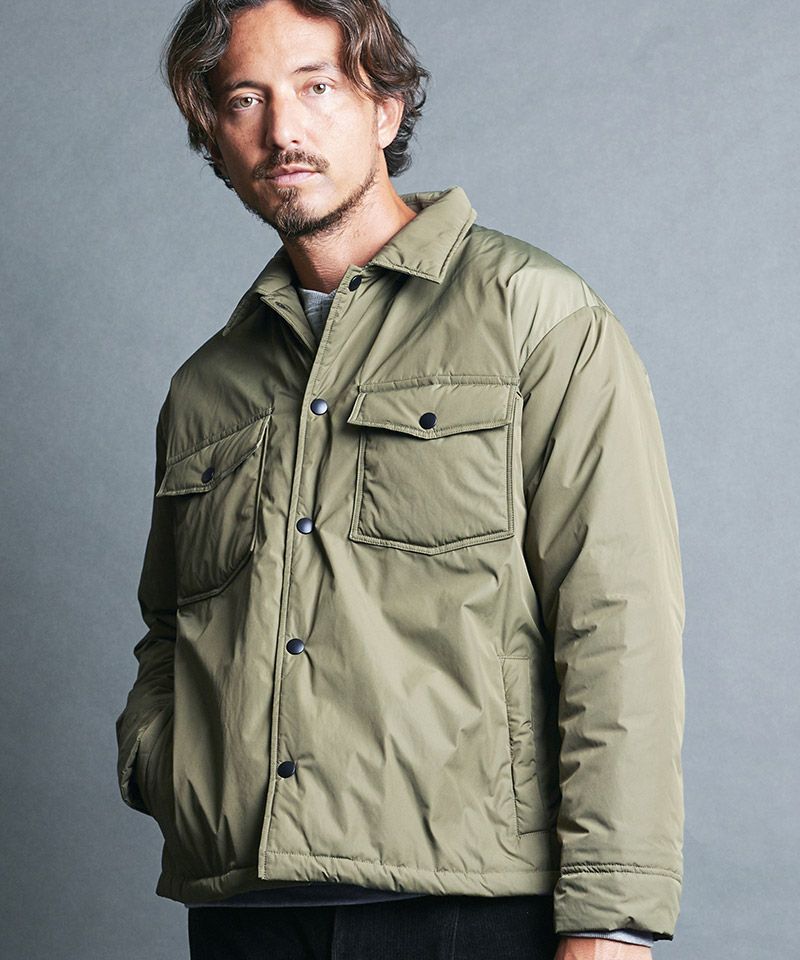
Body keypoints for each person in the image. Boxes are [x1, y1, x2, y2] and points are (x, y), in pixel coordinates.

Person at [115, 1, 686, 958]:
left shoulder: (536, 318)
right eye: (245, 98)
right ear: (214, 134)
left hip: (466, 903)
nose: (283, 130)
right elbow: (172, 627)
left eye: (317, 86)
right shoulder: (206, 387)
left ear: (385, 107)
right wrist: (161, 763)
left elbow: (617, 621)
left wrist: (613, 919)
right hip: (244, 910)